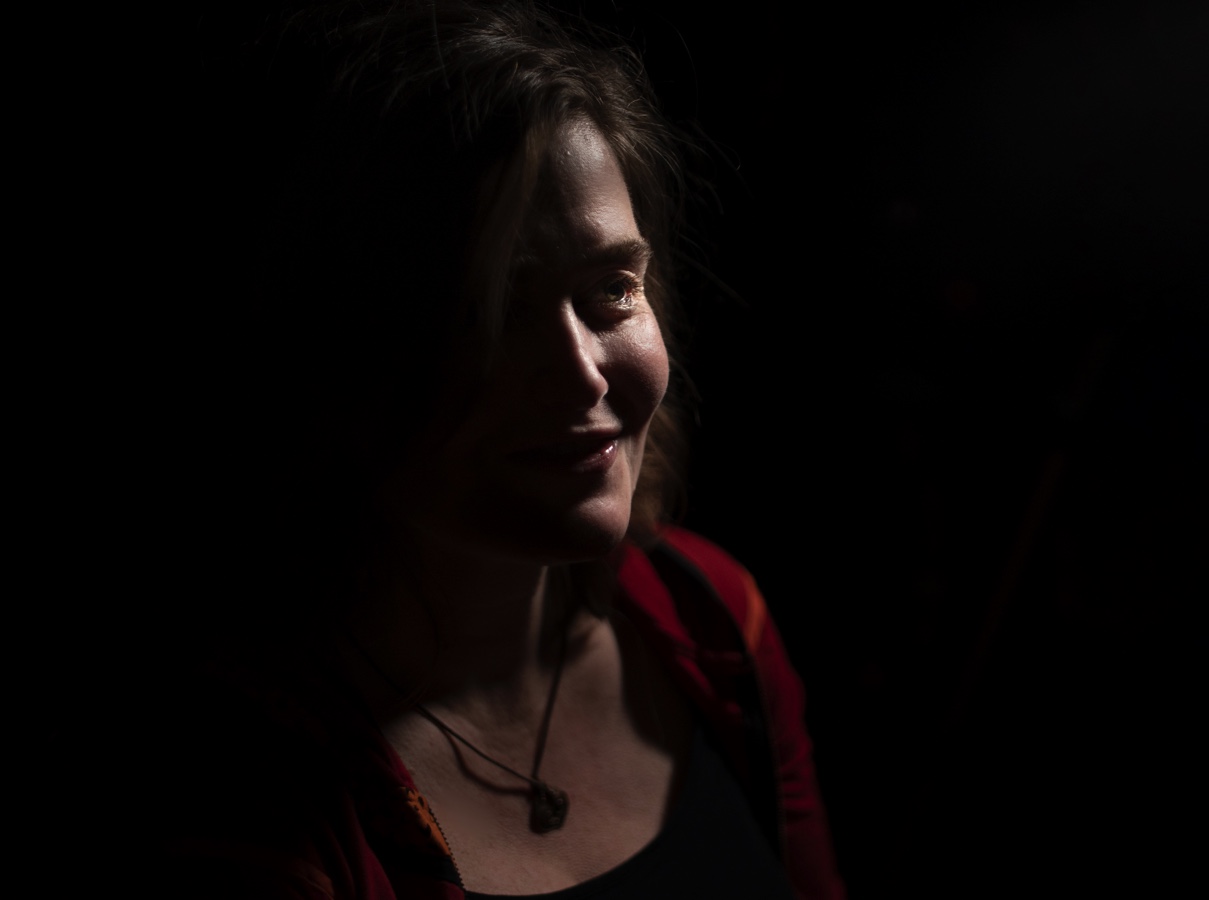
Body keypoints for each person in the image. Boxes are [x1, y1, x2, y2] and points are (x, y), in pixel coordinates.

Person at [147, 1, 844, 897]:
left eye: (612, 288)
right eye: (492, 310)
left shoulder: (708, 617)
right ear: (328, 352)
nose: (583, 377)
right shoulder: (241, 796)